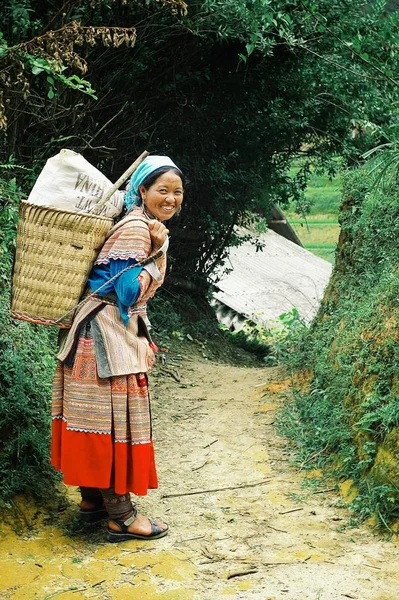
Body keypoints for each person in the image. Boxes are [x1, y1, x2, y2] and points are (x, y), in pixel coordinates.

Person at [51, 155, 184, 542]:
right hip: (103, 342)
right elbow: (126, 292)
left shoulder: (138, 226)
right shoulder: (137, 229)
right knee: (110, 422)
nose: (171, 199)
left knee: (91, 418)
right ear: (142, 191)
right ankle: (122, 517)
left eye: (177, 192)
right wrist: (157, 256)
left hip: (93, 335)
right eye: (163, 190)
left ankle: (93, 500)